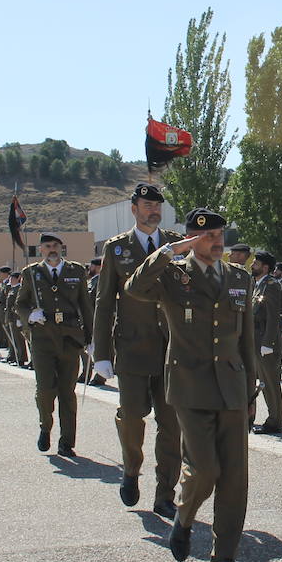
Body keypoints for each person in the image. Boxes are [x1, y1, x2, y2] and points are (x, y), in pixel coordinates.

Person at [125, 209, 255, 562]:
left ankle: (224, 555)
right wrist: (169, 251)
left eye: (220, 234)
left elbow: (245, 339)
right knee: (205, 469)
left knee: (234, 476)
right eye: (208, 235)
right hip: (189, 386)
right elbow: (134, 288)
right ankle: (183, 517)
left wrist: (251, 390)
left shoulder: (238, 278)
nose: (217, 242)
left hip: (231, 386)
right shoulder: (172, 274)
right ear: (192, 239)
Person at [92, 182, 183, 516]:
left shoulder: (176, 244)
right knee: (132, 416)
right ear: (134, 209)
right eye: (146, 205)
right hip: (132, 347)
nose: (152, 211)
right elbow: (104, 303)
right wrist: (101, 352)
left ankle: (165, 494)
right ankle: (131, 468)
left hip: (173, 349)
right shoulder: (117, 249)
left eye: (157, 205)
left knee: (172, 425)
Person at [16, 233, 94, 458]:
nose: (52, 249)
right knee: (45, 390)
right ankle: (45, 426)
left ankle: (67, 442)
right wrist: (30, 314)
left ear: (62, 248)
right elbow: (19, 304)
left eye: (56, 246)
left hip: (70, 337)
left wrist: (91, 338)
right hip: (43, 337)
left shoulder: (76, 271)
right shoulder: (31, 273)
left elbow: (85, 306)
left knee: (67, 392)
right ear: (40, 250)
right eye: (47, 246)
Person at [249, 251, 282, 434]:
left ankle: (275, 421)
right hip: (256, 338)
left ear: (265, 267)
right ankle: (273, 418)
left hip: (265, 338)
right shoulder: (257, 285)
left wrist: (268, 342)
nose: (252, 265)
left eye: (256, 263)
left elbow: (272, 316)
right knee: (263, 381)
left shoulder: (271, 285)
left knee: (270, 382)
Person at [3, 270, 29, 367]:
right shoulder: (12, 289)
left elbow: (18, 304)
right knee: (14, 339)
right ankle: (16, 357)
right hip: (11, 317)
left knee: (19, 339)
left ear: (18, 279)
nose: (11, 280)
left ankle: (21, 358)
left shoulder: (19, 289)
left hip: (16, 317)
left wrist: (19, 318)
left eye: (13, 278)